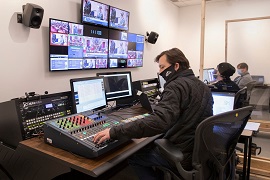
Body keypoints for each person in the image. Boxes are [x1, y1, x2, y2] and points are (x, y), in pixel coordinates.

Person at [93, 48, 213, 179]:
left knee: (134, 156)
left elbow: (159, 121)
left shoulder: (175, 86)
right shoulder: (202, 85)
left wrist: (114, 131)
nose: (160, 72)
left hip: (183, 154)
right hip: (199, 152)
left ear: (176, 66)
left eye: (162, 67)